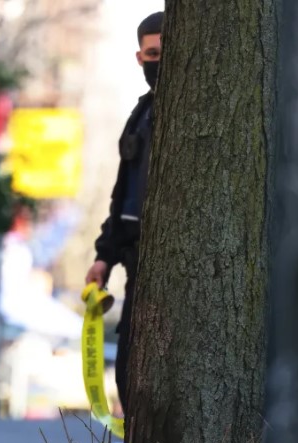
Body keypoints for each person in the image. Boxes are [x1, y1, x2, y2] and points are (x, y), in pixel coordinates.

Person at [84, 11, 163, 414]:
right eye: (152, 53)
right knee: (129, 375)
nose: (158, 62)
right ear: (139, 57)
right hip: (136, 263)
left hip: (167, 268)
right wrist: (104, 256)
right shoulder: (142, 114)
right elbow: (125, 198)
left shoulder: (179, 116)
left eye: (166, 53)